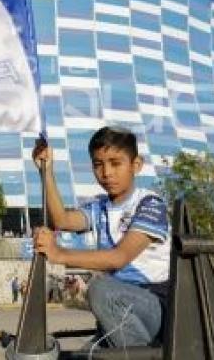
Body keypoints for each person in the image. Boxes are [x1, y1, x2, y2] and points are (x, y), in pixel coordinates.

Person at [32, 126, 171, 348]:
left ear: (136, 165)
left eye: (115, 163)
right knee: (82, 355)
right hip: (119, 307)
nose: (106, 173)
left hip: (155, 306)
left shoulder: (150, 204)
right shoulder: (99, 206)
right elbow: (62, 220)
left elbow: (118, 258)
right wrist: (46, 171)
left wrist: (59, 253)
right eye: (99, 164)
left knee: (100, 288)